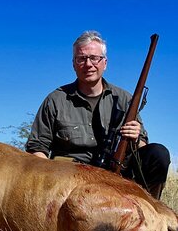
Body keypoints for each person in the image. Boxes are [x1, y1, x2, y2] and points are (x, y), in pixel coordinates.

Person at [25, 30, 170, 200]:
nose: (88, 64)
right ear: (73, 64)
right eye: (81, 58)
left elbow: (143, 145)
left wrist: (136, 137)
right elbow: (36, 149)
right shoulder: (56, 99)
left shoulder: (124, 99)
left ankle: (151, 211)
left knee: (158, 154)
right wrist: (52, 182)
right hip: (71, 181)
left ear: (105, 63)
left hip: (119, 176)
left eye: (94, 58)